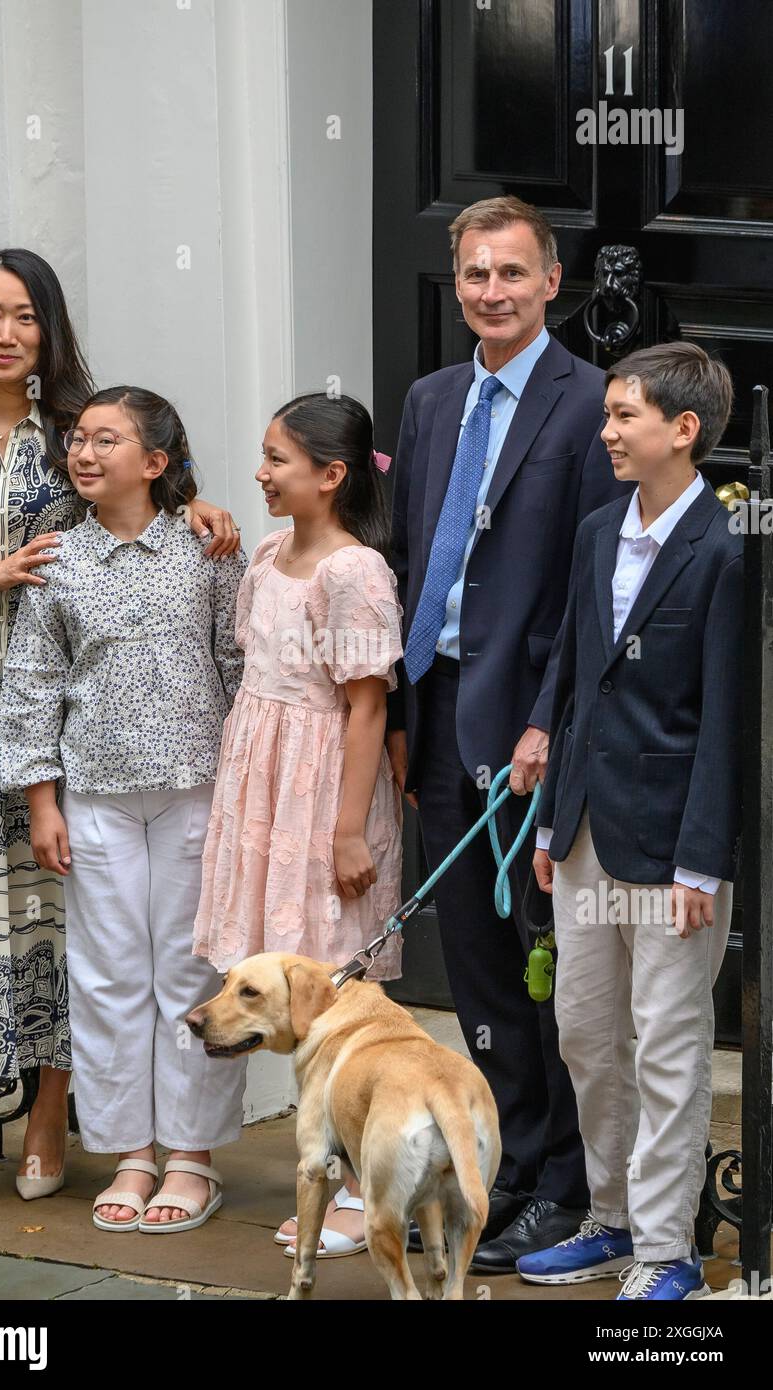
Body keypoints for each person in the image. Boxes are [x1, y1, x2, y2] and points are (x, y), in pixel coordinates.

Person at [0, 248, 240, 1220]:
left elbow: (150, 494)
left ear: (49, 327)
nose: (5, 334)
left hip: (88, 719)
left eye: (24, 317)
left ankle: (53, 1117)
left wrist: (203, 508)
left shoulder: (72, 429)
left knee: (69, 926)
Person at [387, 196, 631, 1272]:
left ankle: (564, 1182)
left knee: (547, 964)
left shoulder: (589, 406)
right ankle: (512, 1166)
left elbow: (590, 588)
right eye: (473, 275)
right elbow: (406, 556)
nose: (490, 291)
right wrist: (400, 713)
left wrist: (545, 719)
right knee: (479, 968)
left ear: (550, 280)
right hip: (438, 712)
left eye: (510, 273)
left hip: (533, 728)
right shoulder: (432, 398)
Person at [520, 342, 742, 1301]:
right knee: (584, 1032)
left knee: (667, 1042)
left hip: (668, 847)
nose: (605, 432)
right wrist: (545, 821)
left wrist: (701, 861)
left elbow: (728, 718)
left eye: (623, 417)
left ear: (681, 430)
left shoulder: (726, 548)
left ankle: (667, 1248)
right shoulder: (597, 532)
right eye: (606, 414)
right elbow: (573, 681)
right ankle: (607, 1220)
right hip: (579, 832)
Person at [0, 386, 246, 1232]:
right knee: (105, 979)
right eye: (76, 439)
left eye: (107, 440)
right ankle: (129, 1153)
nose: (84, 453)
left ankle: (191, 1158)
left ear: (156, 462)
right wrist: (41, 801)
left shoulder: (207, 549)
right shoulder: (57, 558)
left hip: (195, 791)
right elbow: (31, 685)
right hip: (94, 795)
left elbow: (237, 668)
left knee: (191, 974)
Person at [192, 392, 404, 1258]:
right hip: (263, 783)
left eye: (277, 460)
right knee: (282, 988)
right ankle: (324, 1170)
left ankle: (363, 1185)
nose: (260, 474)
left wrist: (348, 830)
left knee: (332, 996)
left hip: (320, 794)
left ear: (331, 475)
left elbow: (363, 709)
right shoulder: (270, 554)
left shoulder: (353, 573)